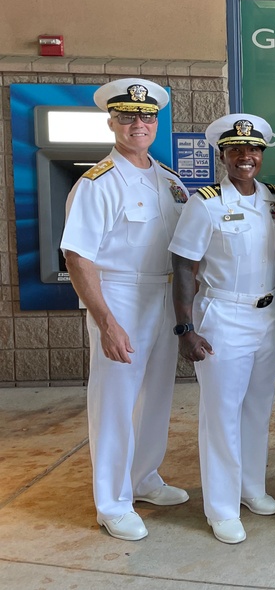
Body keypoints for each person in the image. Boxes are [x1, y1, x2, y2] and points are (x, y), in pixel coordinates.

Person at [61, 78, 190, 541]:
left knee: (155, 394)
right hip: (119, 296)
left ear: (156, 121)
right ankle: (112, 502)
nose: (139, 123)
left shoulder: (170, 181)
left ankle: (143, 478)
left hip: (163, 294)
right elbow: (78, 256)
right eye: (128, 116)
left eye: (147, 116)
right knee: (115, 401)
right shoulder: (97, 183)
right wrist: (106, 322)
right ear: (111, 121)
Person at [169, 113, 275, 544]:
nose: (245, 156)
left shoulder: (274, 199)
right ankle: (220, 506)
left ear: (261, 155)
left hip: (269, 315)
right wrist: (184, 327)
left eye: (253, 149)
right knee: (221, 414)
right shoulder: (205, 202)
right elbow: (183, 264)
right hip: (222, 317)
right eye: (236, 149)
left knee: (258, 407)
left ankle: (250, 488)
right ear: (222, 155)